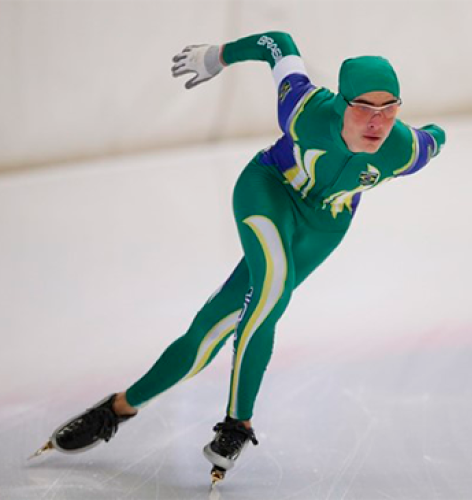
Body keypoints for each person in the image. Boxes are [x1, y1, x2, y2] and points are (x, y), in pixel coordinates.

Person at [35, 31, 446, 482]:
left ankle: (117, 408)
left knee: (210, 330)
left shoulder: (405, 148)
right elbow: (279, 42)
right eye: (364, 108)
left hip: (323, 228)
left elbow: (434, 138)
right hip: (268, 191)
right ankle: (238, 422)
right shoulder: (306, 109)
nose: (377, 122)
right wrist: (218, 57)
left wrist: (437, 134)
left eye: (389, 109)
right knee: (271, 291)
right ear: (342, 102)